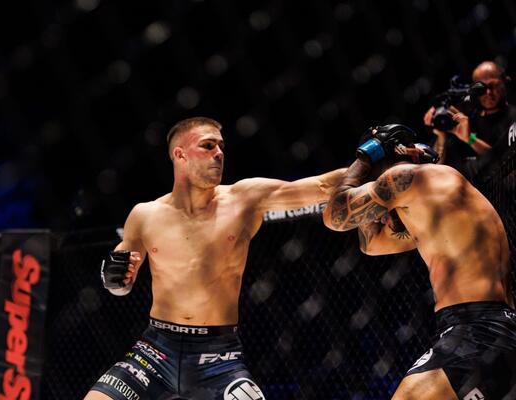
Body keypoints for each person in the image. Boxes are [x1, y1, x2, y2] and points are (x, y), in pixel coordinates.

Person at [84, 116, 346, 400]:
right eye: (208, 146)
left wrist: (372, 159)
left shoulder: (244, 199)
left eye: (221, 147)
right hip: (155, 351)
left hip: (218, 357)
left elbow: (322, 186)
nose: (219, 153)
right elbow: (120, 285)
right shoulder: (145, 215)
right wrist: (113, 279)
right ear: (180, 154)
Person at [323, 124, 516, 400]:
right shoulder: (440, 204)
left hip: (475, 330)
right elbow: (371, 245)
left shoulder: (406, 177)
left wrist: (363, 160)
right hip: (492, 330)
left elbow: (335, 217)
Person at [423, 61, 516, 175]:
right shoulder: (462, 119)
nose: (488, 92)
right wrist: (441, 134)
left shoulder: (512, 116)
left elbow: (503, 160)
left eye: (493, 85)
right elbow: (436, 170)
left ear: (505, 82)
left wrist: (470, 139)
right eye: (481, 88)